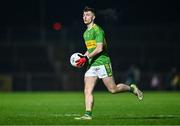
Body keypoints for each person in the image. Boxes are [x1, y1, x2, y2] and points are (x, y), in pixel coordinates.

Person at [74, 6, 143, 120]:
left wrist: (85, 59)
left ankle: (132, 89)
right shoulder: (85, 33)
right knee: (87, 90)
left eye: (88, 15)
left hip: (102, 63)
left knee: (113, 89)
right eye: (84, 15)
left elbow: (99, 48)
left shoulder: (98, 30)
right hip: (92, 65)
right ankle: (88, 114)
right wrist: (82, 57)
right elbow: (90, 49)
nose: (85, 17)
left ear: (93, 17)